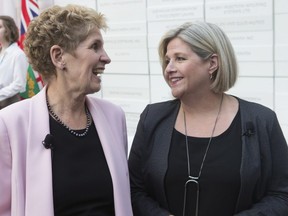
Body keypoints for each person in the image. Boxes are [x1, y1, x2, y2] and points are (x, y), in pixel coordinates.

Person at [128, 21, 288, 216]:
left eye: (180, 58)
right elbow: (134, 189)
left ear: (212, 63)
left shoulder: (262, 120)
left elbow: (281, 195)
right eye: (167, 60)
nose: (168, 68)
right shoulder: (152, 118)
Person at [0, 4, 133, 216]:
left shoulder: (114, 116)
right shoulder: (10, 124)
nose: (106, 57)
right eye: (95, 46)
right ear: (59, 57)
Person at [0, 15, 28, 109]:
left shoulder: (18, 54)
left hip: (9, 103)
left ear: (8, 30)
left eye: (0, 27)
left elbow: (19, 84)